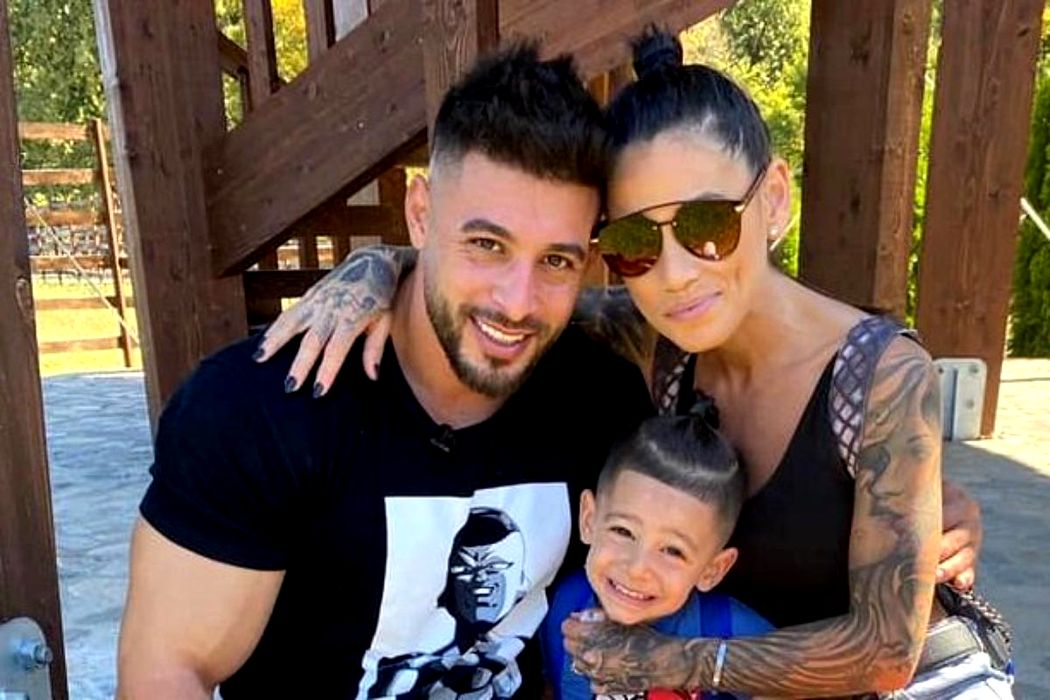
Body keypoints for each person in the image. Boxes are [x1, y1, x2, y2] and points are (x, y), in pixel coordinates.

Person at [253, 27, 998, 698]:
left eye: (707, 224)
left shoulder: (880, 377)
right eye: (636, 242)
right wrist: (378, 267)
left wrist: (672, 662)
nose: (675, 273)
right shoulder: (655, 340)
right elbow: (502, 290)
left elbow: (887, 653)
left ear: (773, 199)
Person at [116, 44, 655, 699]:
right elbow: (167, 670)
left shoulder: (602, 403)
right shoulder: (261, 410)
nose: (518, 302)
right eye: (487, 245)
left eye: (556, 262)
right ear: (420, 213)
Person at [540, 410, 773, 700]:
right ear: (589, 519)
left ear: (712, 570)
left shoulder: (735, 633)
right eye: (623, 531)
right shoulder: (566, 603)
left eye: (672, 551)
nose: (637, 568)